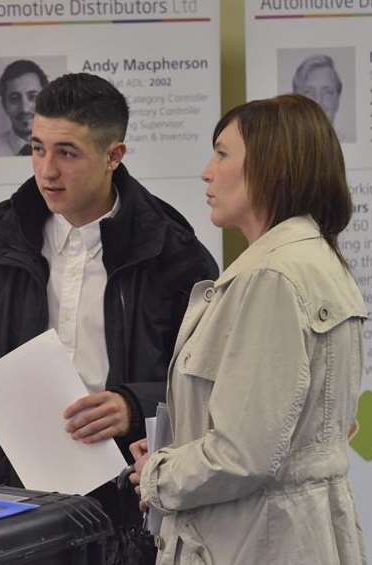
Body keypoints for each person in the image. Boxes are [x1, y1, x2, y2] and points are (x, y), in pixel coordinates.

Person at [0, 72, 218, 562]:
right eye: (37, 148)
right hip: (16, 501)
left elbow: (212, 383)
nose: (46, 171)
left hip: (128, 502)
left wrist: (133, 405)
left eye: (67, 153)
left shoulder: (172, 251)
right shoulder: (0, 242)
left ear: (114, 156)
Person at [129, 94, 367, 564]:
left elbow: (243, 454)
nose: (207, 171)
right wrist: (176, 446)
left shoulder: (271, 277)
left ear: (272, 164)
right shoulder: (312, 261)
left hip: (254, 542)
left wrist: (158, 473)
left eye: (222, 153)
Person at [0, 59, 48, 157]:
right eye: (14, 98)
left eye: (33, 97)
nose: (25, 109)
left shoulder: (66, 149)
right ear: (4, 105)